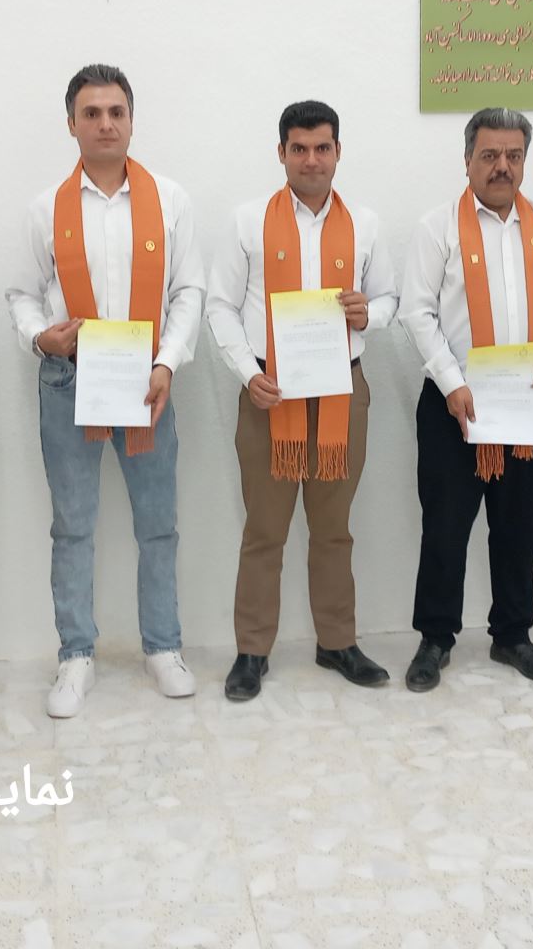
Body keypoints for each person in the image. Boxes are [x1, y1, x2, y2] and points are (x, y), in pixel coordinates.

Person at [6, 64, 203, 718]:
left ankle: (163, 647)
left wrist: (167, 362)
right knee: (73, 526)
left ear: (131, 120)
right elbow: (21, 294)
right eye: (91, 113)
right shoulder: (45, 209)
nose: (105, 123)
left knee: (158, 524)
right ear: (72, 124)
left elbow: (188, 291)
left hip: (148, 382)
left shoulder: (169, 200)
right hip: (71, 380)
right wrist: (41, 337)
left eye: (116, 111)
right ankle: (76, 655)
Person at [206, 100, 399, 701]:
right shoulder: (247, 222)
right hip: (270, 394)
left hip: (342, 392)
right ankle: (252, 650)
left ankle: (337, 641)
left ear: (338, 152)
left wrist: (369, 314)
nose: (311, 160)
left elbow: (389, 299)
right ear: (282, 153)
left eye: (322, 148)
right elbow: (220, 306)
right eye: (299, 148)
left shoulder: (365, 223)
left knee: (333, 529)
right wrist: (248, 373)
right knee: (264, 529)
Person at [398, 108, 533, 692]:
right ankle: (435, 638)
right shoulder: (438, 228)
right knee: (446, 527)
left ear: (524, 161)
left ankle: (513, 635)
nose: (502, 166)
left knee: (518, 524)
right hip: (453, 403)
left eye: (513, 155)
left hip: (528, 399)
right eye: (489, 155)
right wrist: (451, 382)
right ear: (468, 161)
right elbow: (417, 311)